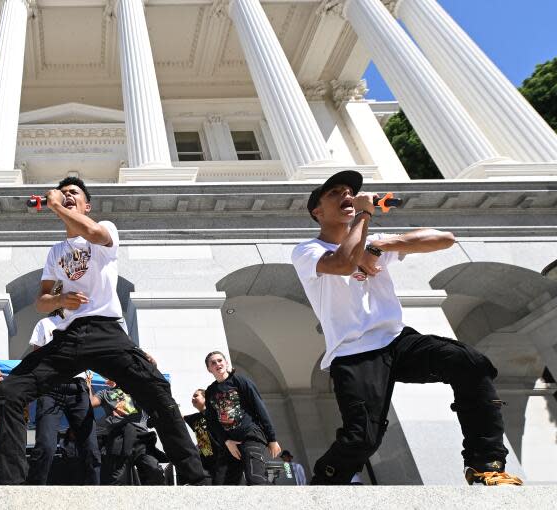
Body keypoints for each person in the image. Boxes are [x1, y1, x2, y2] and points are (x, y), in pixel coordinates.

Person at [291, 170, 523, 486]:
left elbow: (445, 239)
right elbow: (344, 263)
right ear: (317, 211)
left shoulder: (373, 240)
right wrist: (364, 214)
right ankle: (325, 484)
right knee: (363, 439)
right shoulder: (307, 251)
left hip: (397, 341)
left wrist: (381, 245)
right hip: (354, 352)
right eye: (335, 193)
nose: (347, 195)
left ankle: (486, 464)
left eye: (350, 191)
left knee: (469, 363)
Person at [0, 176, 206, 484]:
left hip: (106, 333)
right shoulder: (56, 252)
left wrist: (56, 206)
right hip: (68, 338)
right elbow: (41, 302)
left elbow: (90, 230)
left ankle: (195, 478)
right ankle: (13, 487)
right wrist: (60, 299)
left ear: (86, 205)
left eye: (73, 193)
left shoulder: (104, 231)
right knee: (9, 392)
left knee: (157, 390)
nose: (66, 196)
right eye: (62, 194)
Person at [26, 302, 101, 486]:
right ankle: (34, 493)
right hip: (51, 387)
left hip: (78, 388)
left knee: (91, 448)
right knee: (45, 446)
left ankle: (94, 494)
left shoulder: (84, 325)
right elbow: (36, 359)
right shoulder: (45, 324)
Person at [203, 351, 281, 486]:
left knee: (256, 480)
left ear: (226, 363)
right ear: (209, 369)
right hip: (229, 443)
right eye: (213, 363)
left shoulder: (240, 381)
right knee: (221, 485)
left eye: (220, 360)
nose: (217, 364)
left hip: (250, 436)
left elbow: (259, 408)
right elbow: (212, 421)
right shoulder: (210, 391)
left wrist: (272, 438)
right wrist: (226, 441)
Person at [92, 379, 166, 485]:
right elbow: (89, 403)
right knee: (117, 477)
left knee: (153, 469)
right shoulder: (105, 393)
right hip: (119, 438)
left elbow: (150, 380)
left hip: (141, 437)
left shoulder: (137, 389)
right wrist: (88, 387)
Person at [183, 389, 224, 484]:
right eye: (192, 396)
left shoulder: (216, 413)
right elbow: (179, 417)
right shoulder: (195, 418)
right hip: (206, 462)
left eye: (196, 395)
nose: (192, 398)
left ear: (205, 398)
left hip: (221, 458)